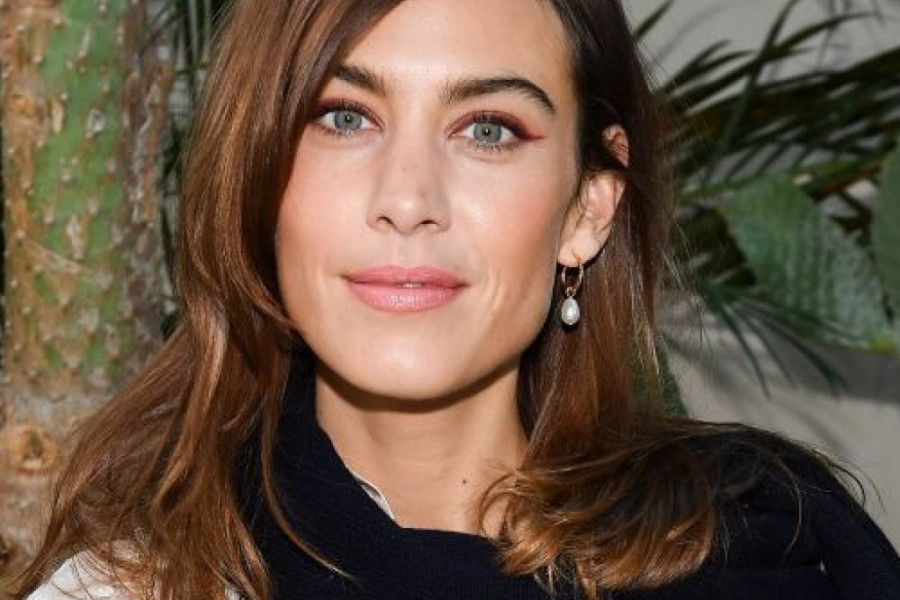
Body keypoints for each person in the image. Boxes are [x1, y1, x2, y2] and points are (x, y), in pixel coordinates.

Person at [15, 0, 900, 599]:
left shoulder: (772, 548)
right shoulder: (132, 587)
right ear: (260, 179)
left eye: (488, 130)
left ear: (588, 209)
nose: (408, 199)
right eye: (344, 116)